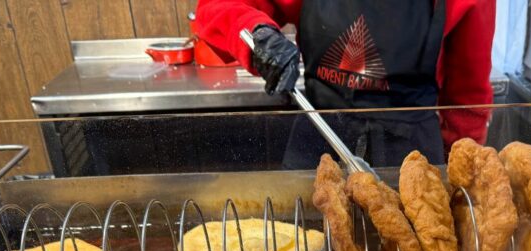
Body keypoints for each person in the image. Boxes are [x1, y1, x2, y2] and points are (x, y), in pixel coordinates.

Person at [191, 0, 495, 168]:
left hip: (412, 156)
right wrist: (255, 34)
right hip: (316, 143)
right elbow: (217, 7)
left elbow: (467, 97)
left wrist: (459, 173)